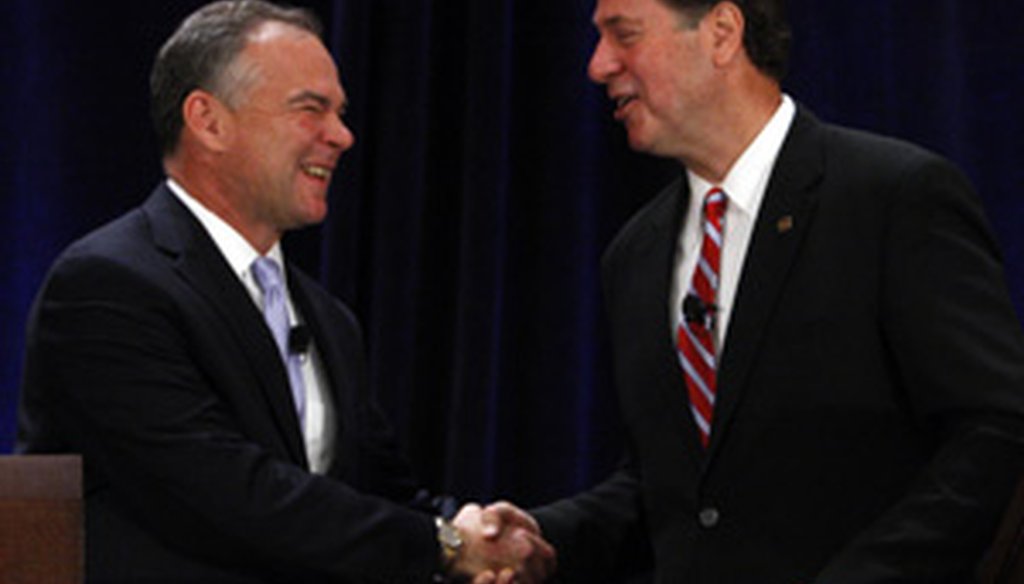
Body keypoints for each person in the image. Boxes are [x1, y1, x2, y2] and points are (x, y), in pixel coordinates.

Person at [15, 1, 554, 582]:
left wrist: (481, 536)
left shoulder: (329, 319)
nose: (343, 136)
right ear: (208, 120)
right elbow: (222, 494)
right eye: (310, 109)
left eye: (341, 113)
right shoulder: (108, 286)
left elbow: (378, 491)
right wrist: (445, 544)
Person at [499, 0, 1024, 582]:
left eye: (623, 35)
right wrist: (540, 538)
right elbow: (671, 492)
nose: (598, 65)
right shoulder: (635, 254)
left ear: (722, 33)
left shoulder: (892, 198)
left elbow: (996, 431)